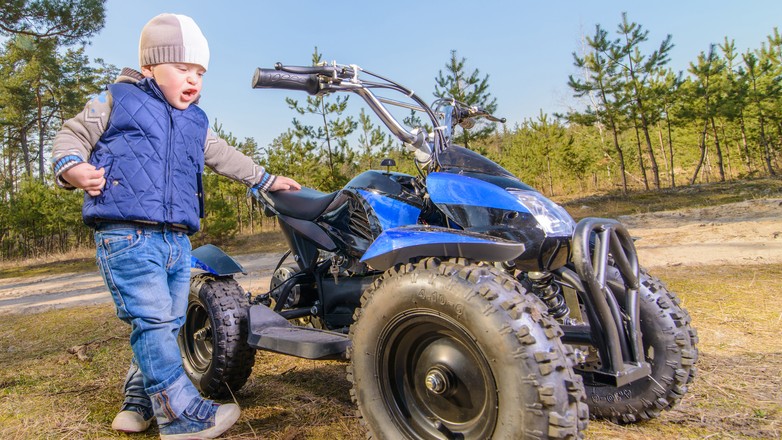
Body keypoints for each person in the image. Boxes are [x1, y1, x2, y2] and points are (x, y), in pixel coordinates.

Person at [51, 13, 300, 439]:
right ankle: (179, 414)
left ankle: (138, 401)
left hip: (175, 240)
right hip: (126, 234)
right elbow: (71, 134)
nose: (194, 80)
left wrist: (264, 179)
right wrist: (72, 167)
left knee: (166, 325)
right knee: (151, 320)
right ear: (150, 67)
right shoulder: (113, 98)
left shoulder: (195, 121)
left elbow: (224, 155)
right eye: (183, 68)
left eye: (200, 72)